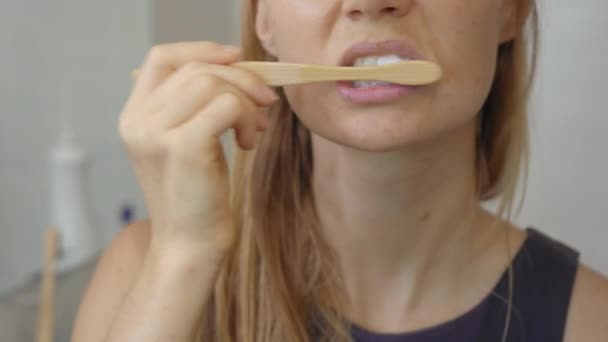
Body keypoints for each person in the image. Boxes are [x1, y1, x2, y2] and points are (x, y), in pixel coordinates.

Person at [72, 0, 608, 341]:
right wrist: (182, 261)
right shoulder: (146, 272)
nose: (373, 2)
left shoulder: (590, 321)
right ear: (265, 20)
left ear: (511, 11)